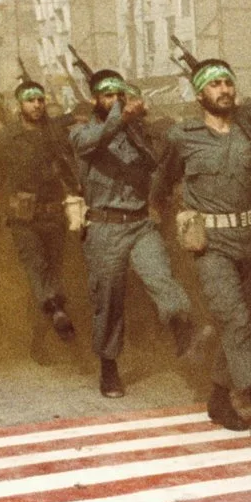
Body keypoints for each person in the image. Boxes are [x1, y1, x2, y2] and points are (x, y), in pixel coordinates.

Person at [151, 57, 251, 439]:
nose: (223, 90)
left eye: (228, 82)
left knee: (241, 326)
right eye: (214, 84)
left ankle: (218, 397)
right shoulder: (182, 136)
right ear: (199, 95)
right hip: (211, 247)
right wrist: (162, 217)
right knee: (234, 320)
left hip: (250, 242)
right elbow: (161, 182)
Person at [71, 67, 206, 399]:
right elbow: (93, 141)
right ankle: (108, 366)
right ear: (94, 100)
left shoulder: (136, 132)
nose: (116, 100)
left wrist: (140, 124)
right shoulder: (83, 132)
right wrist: (121, 116)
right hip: (105, 226)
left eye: (121, 94)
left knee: (161, 278)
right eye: (108, 95)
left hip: (139, 223)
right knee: (108, 300)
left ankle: (183, 332)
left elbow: (158, 161)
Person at [0, 77, 79, 343]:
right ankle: (55, 307)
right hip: (24, 216)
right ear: (20, 104)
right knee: (35, 264)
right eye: (30, 100)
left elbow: (69, 166)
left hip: (53, 213)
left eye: (40, 100)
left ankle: (44, 329)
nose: (37, 105)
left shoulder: (55, 132)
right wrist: (8, 204)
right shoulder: (7, 137)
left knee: (53, 268)